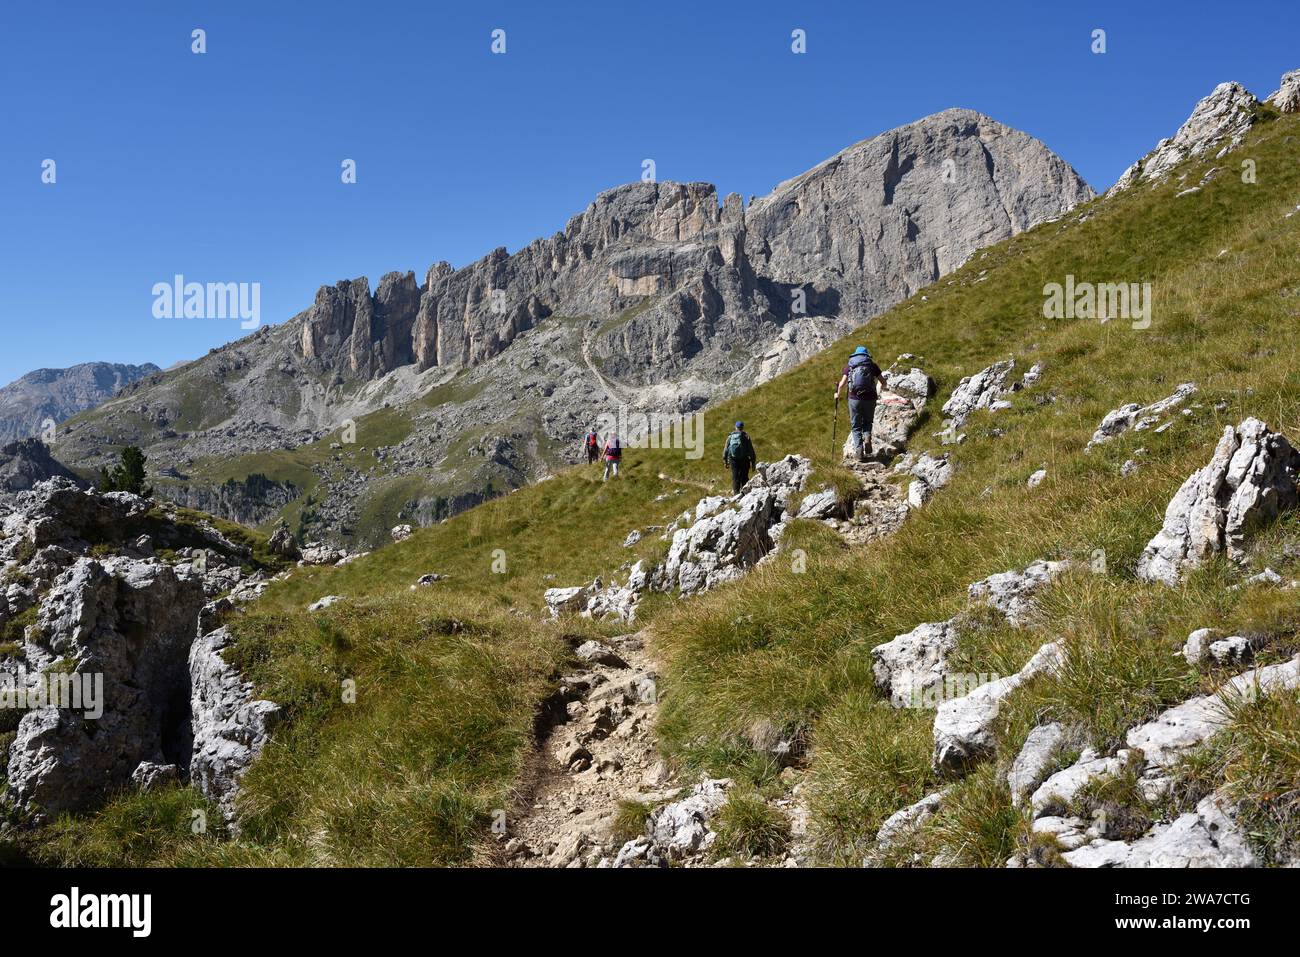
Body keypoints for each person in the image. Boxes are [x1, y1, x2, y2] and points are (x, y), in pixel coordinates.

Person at [834, 345, 886, 461]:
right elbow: (883, 382)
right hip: (870, 398)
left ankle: (859, 452)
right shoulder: (872, 366)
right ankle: (867, 437)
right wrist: (881, 390)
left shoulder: (850, 366)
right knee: (868, 421)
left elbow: (842, 384)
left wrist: (837, 394)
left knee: (856, 425)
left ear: (855, 355)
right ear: (867, 355)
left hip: (854, 399)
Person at [722, 420, 756, 494]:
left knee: (735, 476)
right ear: (742, 427)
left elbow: (725, 450)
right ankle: (745, 493)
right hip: (744, 459)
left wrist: (725, 461)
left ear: (735, 427)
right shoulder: (746, 436)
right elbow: (751, 450)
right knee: (744, 476)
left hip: (733, 459)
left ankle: (736, 494)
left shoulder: (730, 436)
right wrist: (753, 462)